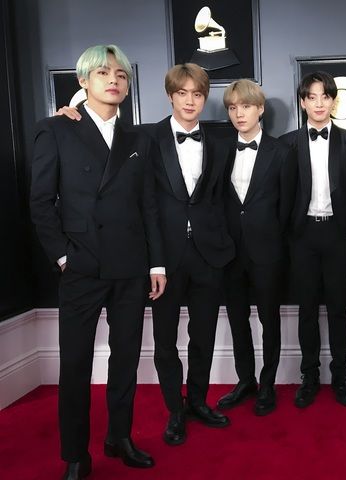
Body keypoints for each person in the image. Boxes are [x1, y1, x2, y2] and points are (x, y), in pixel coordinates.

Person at [57, 63, 235, 447]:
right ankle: (175, 411)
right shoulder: (142, 137)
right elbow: (99, 134)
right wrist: (68, 115)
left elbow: (221, 199)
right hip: (161, 256)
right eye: (182, 93)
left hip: (209, 254)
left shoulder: (220, 143)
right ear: (170, 96)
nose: (190, 101)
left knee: (203, 335)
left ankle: (198, 401)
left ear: (205, 98)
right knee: (165, 340)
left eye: (197, 94)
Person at [30, 44, 166, 479]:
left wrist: (156, 265)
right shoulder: (56, 129)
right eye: (104, 73)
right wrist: (63, 257)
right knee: (75, 364)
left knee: (126, 358)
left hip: (130, 265)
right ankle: (75, 454)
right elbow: (40, 202)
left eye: (121, 75)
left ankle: (119, 438)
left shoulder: (139, 139)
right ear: (83, 81)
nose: (114, 80)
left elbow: (149, 206)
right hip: (82, 266)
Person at [280, 71, 346, 408]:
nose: (318, 103)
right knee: (307, 311)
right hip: (301, 236)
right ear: (303, 102)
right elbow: (283, 193)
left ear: (333, 101)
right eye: (311, 97)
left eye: (325, 96)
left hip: (337, 234)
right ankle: (309, 377)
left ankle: (340, 376)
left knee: (338, 310)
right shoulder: (287, 143)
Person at [215, 79, 296, 416]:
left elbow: (288, 207)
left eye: (246, 106)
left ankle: (267, 384)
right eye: (233, 108)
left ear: (260, 109)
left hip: (267, 251)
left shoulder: (282, 152)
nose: (239, 113)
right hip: (229, 252)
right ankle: (245, 380)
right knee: (237, 320)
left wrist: (275, 245)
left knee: (269, 320)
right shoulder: (219, 150)